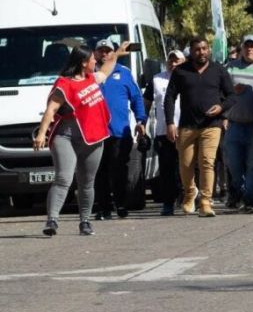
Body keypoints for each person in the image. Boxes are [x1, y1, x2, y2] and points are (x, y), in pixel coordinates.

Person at [34, 42, 132, 236]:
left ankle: (85, 221)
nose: (96, 60)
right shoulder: (65, 83)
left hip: (93, 137)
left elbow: (106, 69)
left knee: (87, 181)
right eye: (93, 59)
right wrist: (41, 134)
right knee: (64, 177)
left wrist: (119, 53)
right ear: (83, 62)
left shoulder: (92, 79)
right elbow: (51, 110)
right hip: (66, 137)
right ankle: (52, 220)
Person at [164, 37, 236, 217]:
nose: (201, 52)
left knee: (207, 162)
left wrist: (221, 107)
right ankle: (190, 194)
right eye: (197, 49)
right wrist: (170, 122)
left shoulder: (218, 70)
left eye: (204, 49)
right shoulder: (181, 71)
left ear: (209, 50)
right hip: (187, 125)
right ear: (191, 51)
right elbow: (169, 98)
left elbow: (231, 96)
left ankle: (205, 202)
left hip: (211, 125)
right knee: (186, 164)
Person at [91, 38, 147, 220]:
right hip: (95, 133)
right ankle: (103, 207)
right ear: (96, 53)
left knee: (119, 169)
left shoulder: (124, 73)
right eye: (101, 50)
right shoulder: (89, 75)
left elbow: (137, 98)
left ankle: (121, 204)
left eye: (108, 50)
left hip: (119, 132)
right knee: (99, 171)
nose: (105, 53)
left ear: (113, 52)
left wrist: (141, 120)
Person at [224, 34, 253, 210]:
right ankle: (238, 191)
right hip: (234, 124)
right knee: (233, 165)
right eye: (246, 46)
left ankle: (249, 199)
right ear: (241, 48)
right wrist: (232, 91)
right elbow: (221, 93)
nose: (249, 49)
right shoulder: (230, 68)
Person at [143, 49, 186, 216]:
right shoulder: (157, 79)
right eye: (171, 60)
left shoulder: (189, 77)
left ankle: (187, 198)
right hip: (163, 131)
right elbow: (146, 103)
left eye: (177, 61)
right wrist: (142, 122)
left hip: (186, 129)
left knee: (186, 167)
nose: (173, 63)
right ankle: (168, 202)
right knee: (167, 169)